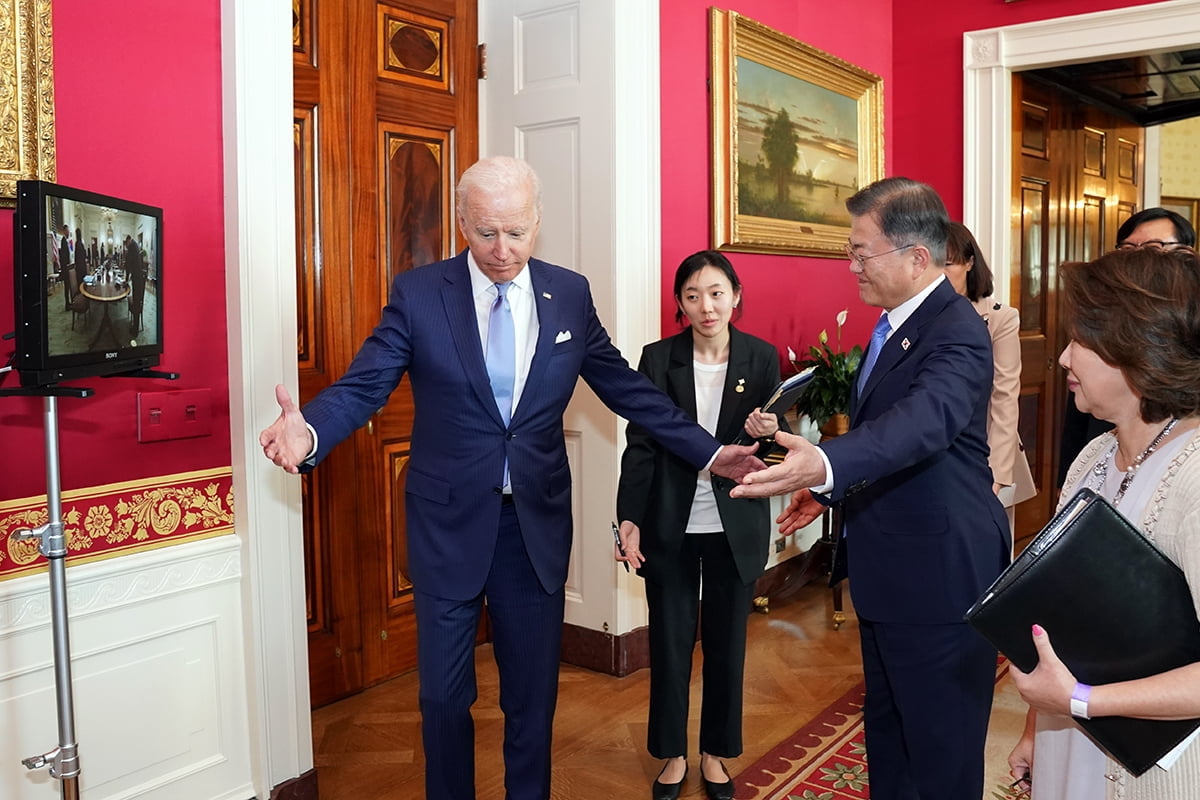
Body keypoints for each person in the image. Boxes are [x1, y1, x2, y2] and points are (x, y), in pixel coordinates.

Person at [258, 156, 765, 800]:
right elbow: (366, 383)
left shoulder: (569, 293)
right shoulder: (420, 292)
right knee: (443, 699)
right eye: (487, 233)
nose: (503, 250)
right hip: (447, 525)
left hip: (534, 526)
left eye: (517, 232)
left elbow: (629, 391)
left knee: (532, 699)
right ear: (462, 223)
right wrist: (310, 431)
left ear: (537, 222)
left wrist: (710, 453)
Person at [730, 177, 1011, 800]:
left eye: (861, 252)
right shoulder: (895, 324)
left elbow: (921, 426)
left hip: (940, 573)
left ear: (916, 258)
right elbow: (883, 436)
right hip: (893, 569)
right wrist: (830, 492)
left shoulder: (957, 330)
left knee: (939, 752)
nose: (849, 265)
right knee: (891, 738)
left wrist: (822, 465)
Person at [1007, 245, 1200, 799]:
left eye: (1082, 342)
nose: (1064, 358)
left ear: (1140, 351)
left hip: (1159, 771)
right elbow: (1061, 624)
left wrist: (1081, 702)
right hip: (1072, 738)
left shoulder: (1192, 477)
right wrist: (1036, 730)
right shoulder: (1092, 459)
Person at [614, 250, 782, 800]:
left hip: (736, 523)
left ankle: (714, 754)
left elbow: (773, 452)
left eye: (716, 293)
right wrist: (629, 517)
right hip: (670, 522)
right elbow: (640, 445)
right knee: (669, 643)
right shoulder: (657, 359)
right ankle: (672, 754)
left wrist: (768, 430)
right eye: (692, 295)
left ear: (735, 295)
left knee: (728, 645)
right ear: (680, 305)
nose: (706, 306)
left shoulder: (760, 359)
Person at [1056, 207, 1197, 488]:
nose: (1138, 257)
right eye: (1129, 248)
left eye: (1153, 248)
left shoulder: (1190, 474)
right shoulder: (1095, 453)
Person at [944, 221, 1036, 531]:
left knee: (990, 558)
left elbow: (1005, 397)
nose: (940, 274)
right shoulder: (920, 315)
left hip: (985, 455)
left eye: (948, 263)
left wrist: (995, 475)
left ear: (969, 263)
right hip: (935, 459)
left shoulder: (1000, 318)